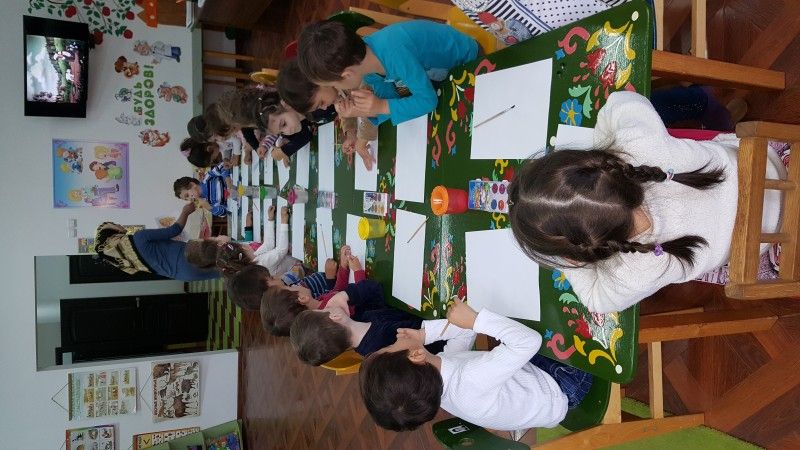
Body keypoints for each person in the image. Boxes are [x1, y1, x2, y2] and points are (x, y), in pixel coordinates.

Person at [507, 91, 786, 313]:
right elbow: (620, 101)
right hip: (772, 169)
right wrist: (607, 153)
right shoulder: (635, 143)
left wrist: (566, 257)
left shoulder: (630, 273)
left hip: (767, 245)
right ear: (590, 164)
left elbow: (594, 301)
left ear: (581, 250)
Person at [359, 297, 591, 433]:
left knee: (509, 318)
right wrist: (476, 320)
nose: (396, 339)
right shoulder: (469, 381)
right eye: (391, 346)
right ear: (417, 356)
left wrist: (424, 334)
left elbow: (464, 334)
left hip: (534, 377)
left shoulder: (435, 380)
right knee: (556, 310)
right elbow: (530, 341)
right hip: (564, 385)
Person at [296, 19, 478, 126]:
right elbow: (397, 94)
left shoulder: (394, 53)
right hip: (441, 77)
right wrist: (364, 110)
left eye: (334, 85)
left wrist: (382, 106)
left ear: (347, 75)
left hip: (468, 62)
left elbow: (428, 101)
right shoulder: (366, 60)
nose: (338, 90)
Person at [288, 272, 445, 365]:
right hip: (445, 333)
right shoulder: (384, 341)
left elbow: (374, 289)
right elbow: (434, 332)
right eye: (323, 310)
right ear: (335, 317)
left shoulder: (360, 320)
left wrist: (345, 295)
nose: (326, 305)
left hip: (428, 314)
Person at [277, 58, 379, 169]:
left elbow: (373, 105)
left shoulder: (349, 76)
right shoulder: (336, 89)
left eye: (321, 103)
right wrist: (350, 133)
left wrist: (361, 143)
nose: (325, 107)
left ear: (320, 81)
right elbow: (346, 103)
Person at [94, 203, 220, 281]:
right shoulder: (139, 237)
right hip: (192, 256)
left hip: (184, 274)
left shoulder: (130, 262)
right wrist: (186, 211)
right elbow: (175, 230)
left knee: (226, 271)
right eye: (115, 224)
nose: (119, 225)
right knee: (228, 256)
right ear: (113, 235)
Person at [262, 245, 359, 335]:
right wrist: (358, 272)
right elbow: (362, 295)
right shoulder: (331, 310)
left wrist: (343, 266)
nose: (294, 284)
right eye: (291, 287)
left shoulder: (320, 303)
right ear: (303, 298)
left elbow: (337, 291)